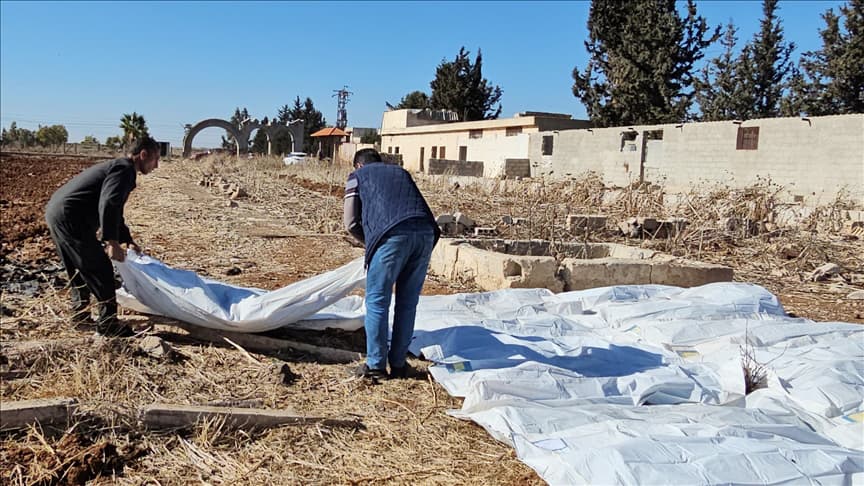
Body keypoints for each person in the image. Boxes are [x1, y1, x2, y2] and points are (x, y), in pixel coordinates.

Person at [45, 136, 161, 337]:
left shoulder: (118, 167)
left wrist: (127, 240)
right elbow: (108, 204)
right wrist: (111, 241)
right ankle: (108, 324)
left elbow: (115, 210)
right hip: (71, 217)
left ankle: (79, 317)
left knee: (78, 268)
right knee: (102, 270)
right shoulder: (125, 170)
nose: (157, 165)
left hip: (57, 213)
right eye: (156, 159)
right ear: (143, 155)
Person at [344, 148, 440, 381]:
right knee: (407, 303)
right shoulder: (401, 173)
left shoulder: (357, 177)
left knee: (377, 300)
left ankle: (376, 366)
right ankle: (398, 365)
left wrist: (371, 243)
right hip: (426, 233)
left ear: (358, 165)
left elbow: (350, 222)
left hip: (392, 235)